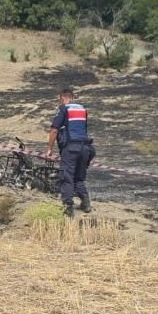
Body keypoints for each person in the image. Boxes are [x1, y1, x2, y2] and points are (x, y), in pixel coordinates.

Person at [46, 86, 93, 217]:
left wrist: (49, 149)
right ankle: (86, 202)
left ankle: (68, 207)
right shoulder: (83, 110)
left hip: (71, 148)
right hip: (85, 148)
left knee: (66, 177)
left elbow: (54, 130)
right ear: (73, 98)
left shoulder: (64, 109)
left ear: (62, 98)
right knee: (79, 176)